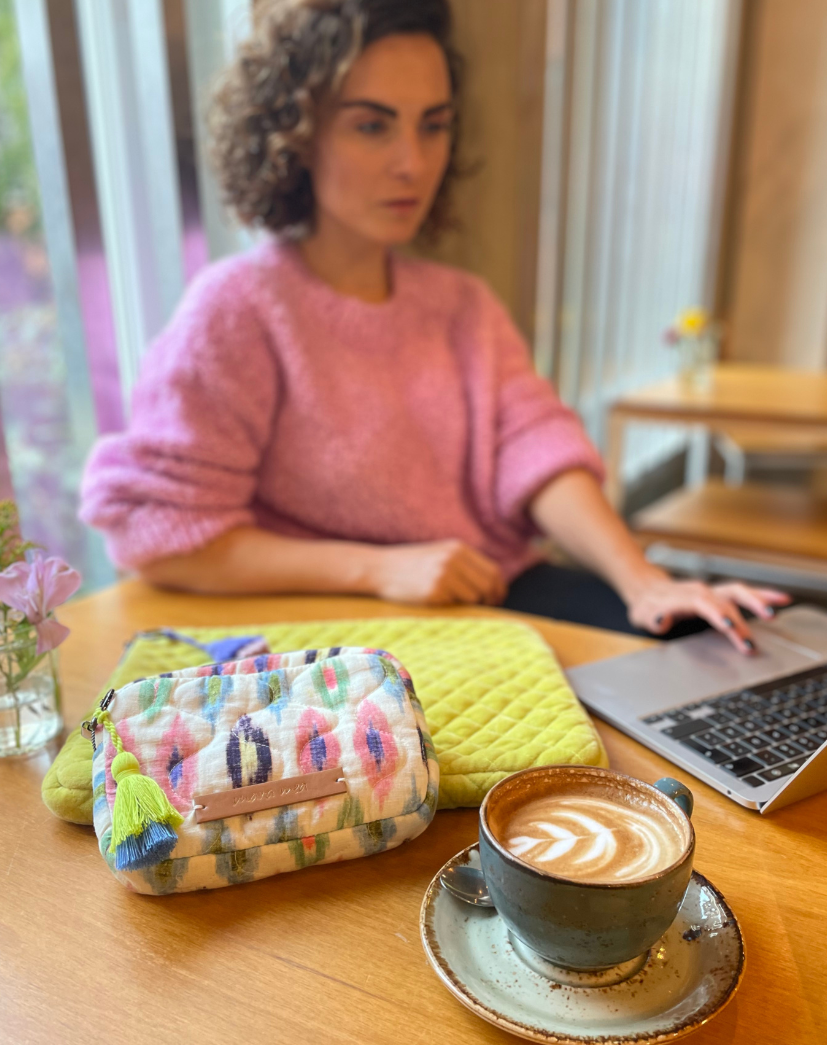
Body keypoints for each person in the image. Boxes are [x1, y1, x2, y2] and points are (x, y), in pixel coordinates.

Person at [80, 0, 788, 652]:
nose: (412, 163)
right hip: (349, 628)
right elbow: (158, 533)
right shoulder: (236, 308)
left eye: (433, 124)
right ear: (294, 135)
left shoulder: (461, 304)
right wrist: (381, 567)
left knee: (733, 647)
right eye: (372, 125)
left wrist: (644, 582)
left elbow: (539, 451)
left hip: (494, 593)